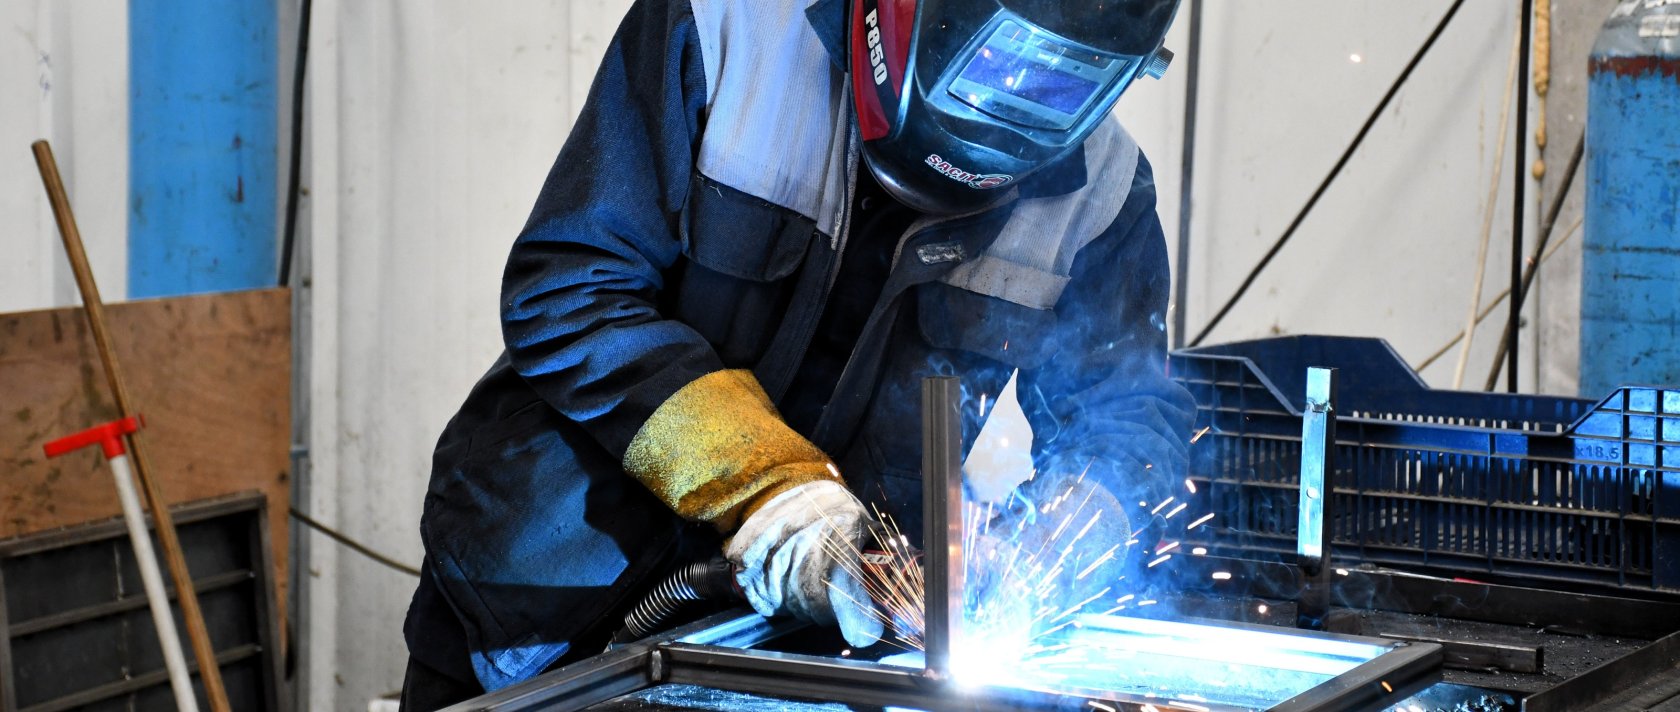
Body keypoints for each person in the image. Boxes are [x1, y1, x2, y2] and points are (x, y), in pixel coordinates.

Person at [400, 0, 1193, 707]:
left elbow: (1132, 421)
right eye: (996, 61)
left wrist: (1045, 555)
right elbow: (570, 287)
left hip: (791, 663)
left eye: (1065, 88)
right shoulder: (727, 26)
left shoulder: (1103, 195)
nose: (1016, 103)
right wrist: (772, 494)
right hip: (541, 608)